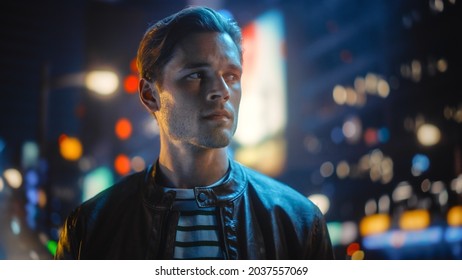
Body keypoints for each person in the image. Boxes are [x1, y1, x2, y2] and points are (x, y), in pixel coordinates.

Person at [55, 6, 334, 260]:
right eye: (196, 75)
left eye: (231, 76)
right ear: (150, 95)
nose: (221, 91)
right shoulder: (90, 228)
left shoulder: (298, 222)